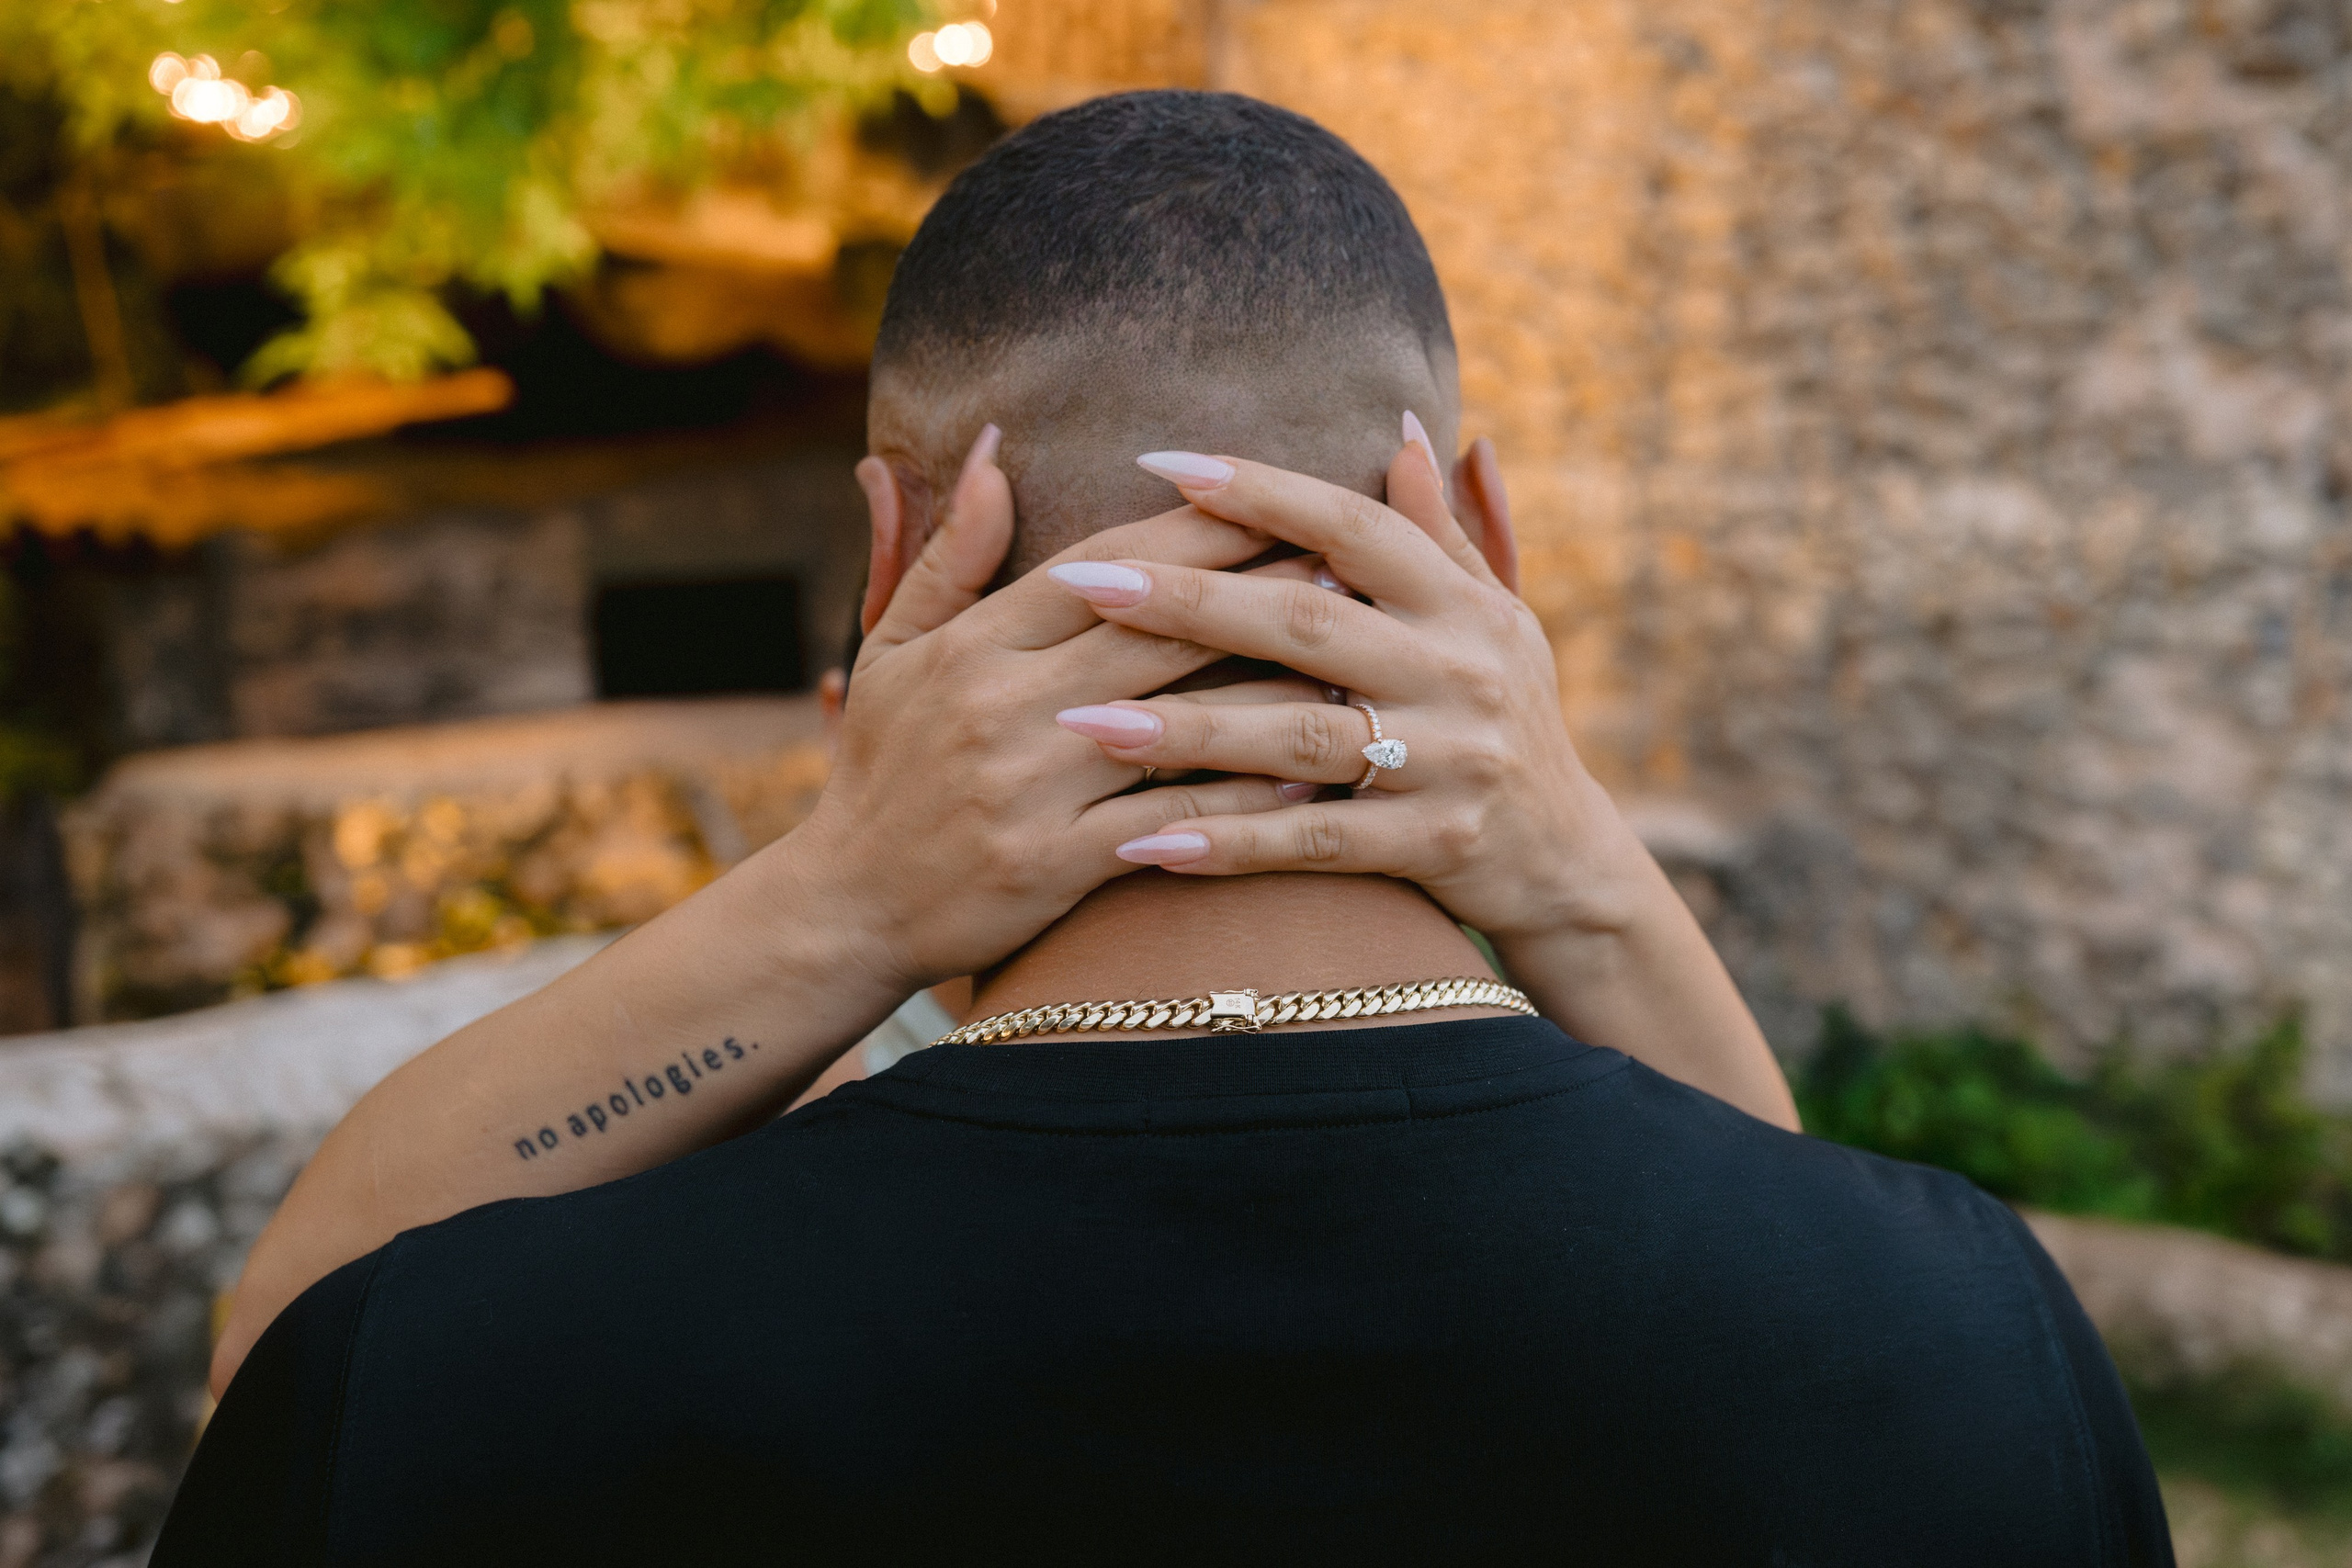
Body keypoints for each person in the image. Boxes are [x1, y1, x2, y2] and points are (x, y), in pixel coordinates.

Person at [156, 92, 2169, 1565]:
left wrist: (844, 893)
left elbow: (295, 1360)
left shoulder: (474, 1373)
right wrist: (1568, 852)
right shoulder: (1961, 1334)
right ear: (1475, 544)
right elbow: (1780, 1273)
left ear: (887, 561)